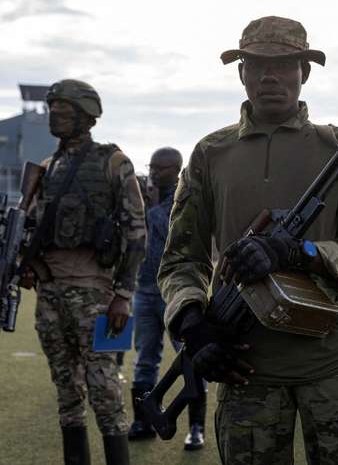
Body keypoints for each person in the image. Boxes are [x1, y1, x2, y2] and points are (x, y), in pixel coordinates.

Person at [158, 16, 338, 465]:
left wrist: (298, 252)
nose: (269, 76)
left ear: (304, 71)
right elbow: (180, 260)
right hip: (246, 370)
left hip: (332, 366)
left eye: (284, 65)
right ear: (241, 72)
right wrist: (192, 324)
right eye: (257, 64)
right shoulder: (210, 153)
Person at [25, 79, 146, 465]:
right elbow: (33, 229)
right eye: (52, 109)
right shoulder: (47, 168)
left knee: (105, 389)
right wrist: (27, 265)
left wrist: (124, 295)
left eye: (64, 110)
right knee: (66, 390)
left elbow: (136, 232)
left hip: (99, 295)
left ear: (87, 116)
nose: (55, 116)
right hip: (51, 294)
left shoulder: (113, 162)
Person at [127, 147, 208, 450]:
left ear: (175, 169)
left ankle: (196, 428)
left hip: (176, 293)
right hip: (143, 291)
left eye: (159, 168)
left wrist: (149, 208)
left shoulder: (182, 197)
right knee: (145, 360)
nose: (153, 173)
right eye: (151, 167)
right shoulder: (146, 199)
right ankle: (142, 420)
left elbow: (170, 233)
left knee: (192, 359)